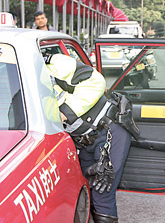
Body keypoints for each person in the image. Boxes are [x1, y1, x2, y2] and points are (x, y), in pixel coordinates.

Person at [44, 53, 132, 222]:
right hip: (82, 141)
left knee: (102, 190)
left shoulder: (54, 63)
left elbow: (97, 82)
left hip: (108, 131)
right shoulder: (18, 81)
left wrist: (65, 113)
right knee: (86, 187)